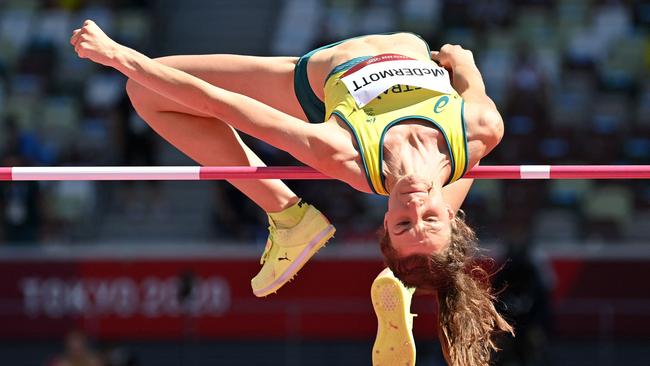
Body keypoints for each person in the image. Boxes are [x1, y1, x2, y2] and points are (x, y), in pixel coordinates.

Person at [70, 20, 512, 365]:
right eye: (428, 219)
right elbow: (471, 81)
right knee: (465, 168)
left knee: (142, 89)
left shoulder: (344, 154)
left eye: (402, 223)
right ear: (452, 215)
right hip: (428, 98)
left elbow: (218, 104)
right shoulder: (479, 129)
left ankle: (286, 212)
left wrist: (120, 56)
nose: (414, 205)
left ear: (384, 225)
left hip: (314, 80)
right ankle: (408, 277)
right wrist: (464, 60)